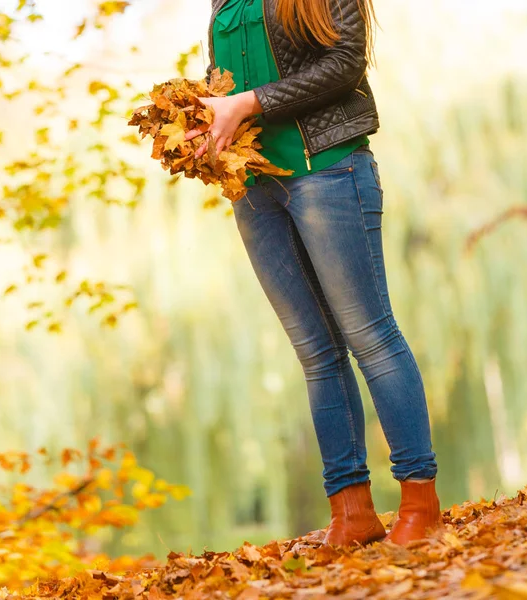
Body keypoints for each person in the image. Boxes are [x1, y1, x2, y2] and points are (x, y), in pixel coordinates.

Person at [185, 0, 443, 547]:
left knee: (370, 336)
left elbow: (345, 62)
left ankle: (420, 502)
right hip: (256, 187)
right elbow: (229, 75)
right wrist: (204, 110)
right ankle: (352, 511)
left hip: (327, 169)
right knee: (315, 351)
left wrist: (249, 102)